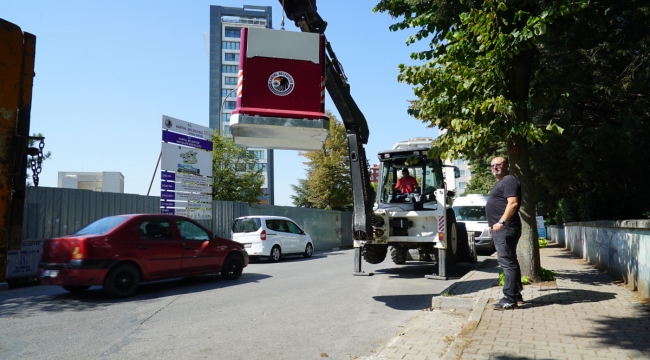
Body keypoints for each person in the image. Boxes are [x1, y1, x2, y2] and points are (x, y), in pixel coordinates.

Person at [486, 156, 523, 310]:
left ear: (506, 165)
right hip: (501, 228)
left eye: (498, 165)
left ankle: (509, 298)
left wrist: (501, 222)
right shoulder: (502, 183)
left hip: (506, 228)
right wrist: (491, 225)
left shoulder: (509, 181)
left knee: (507, 263)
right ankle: (516, 293)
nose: (495, 167)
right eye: (492, 165)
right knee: (510, 261)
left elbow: (512, 203)